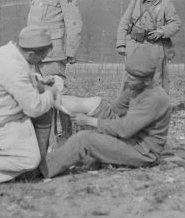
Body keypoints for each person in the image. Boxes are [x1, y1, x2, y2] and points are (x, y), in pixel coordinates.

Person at [43, 48, 172, 178]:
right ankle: (47, 94)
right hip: (130, 137)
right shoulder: (137, 86)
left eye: (132, 78)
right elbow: (114, 110)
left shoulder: (154, 99)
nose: (128, 80)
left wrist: (90, 121)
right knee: (98, 106)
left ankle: (41, 171)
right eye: (128, 75)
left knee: (83, 139)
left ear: (147, 80)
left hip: (141, 151)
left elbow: (125, 129)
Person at [0, 26, 60, 183]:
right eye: (41, 58)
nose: (41, 62)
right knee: (29, 159)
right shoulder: (14, 68)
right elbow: (35, 108)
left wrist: (37, 80)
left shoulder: (7, 52)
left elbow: (18, 78)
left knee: (29, 149)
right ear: (31, 53)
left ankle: (25, 168)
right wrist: (52, 93)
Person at [27, 0, 82, 138]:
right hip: (35, 52)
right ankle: (48, 135)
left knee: (58, 92)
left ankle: (67, 134)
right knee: (41, 92)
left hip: (53, 52)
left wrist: (71, 50)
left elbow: (73, 22)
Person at [116, 0, 181, 92]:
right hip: (134, 45)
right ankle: (129, 107)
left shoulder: (166, 3)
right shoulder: (135, 1)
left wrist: (162, 31)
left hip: (155, 46)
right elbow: (124, 22)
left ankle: (156, 108)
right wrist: (121, 44)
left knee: (155, 80)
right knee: (131, 79)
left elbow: (176, 23)